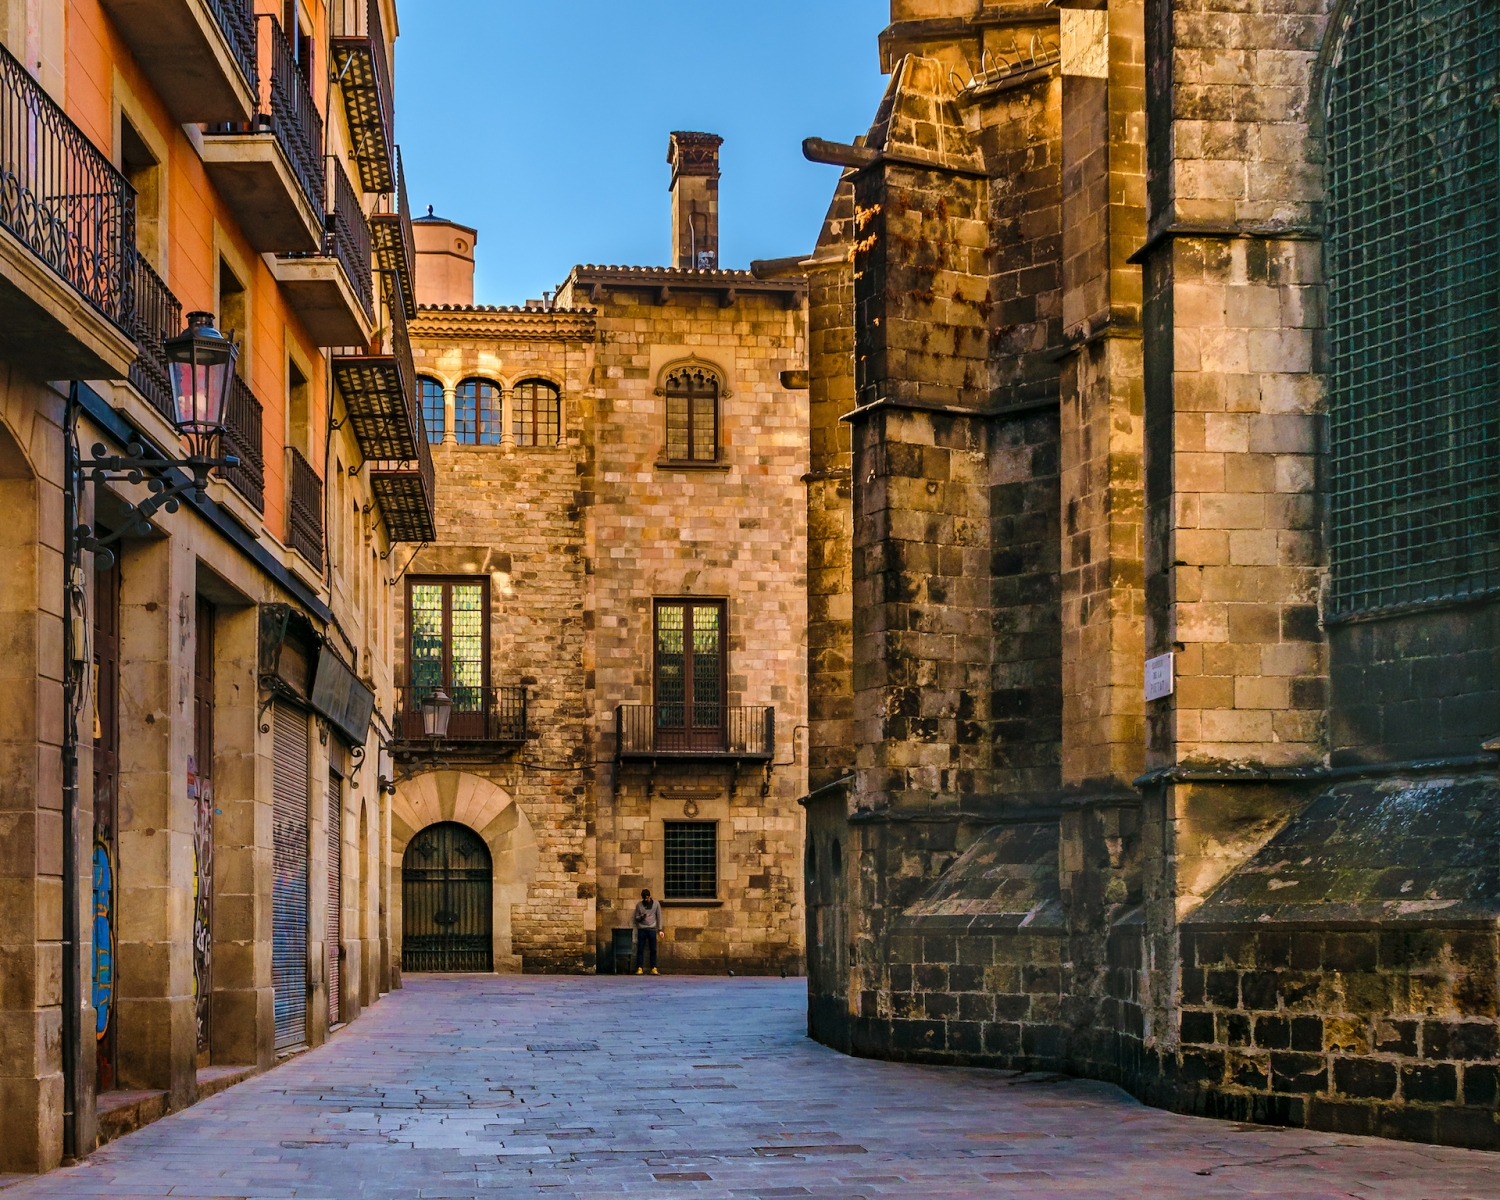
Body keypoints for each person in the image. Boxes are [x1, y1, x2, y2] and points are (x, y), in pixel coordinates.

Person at [633, 888, 663, 975]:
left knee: (653, 949)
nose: (646, 900)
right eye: (645, 899)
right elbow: (636, 918)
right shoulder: (639, 905)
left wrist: (660, 929)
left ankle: (653, 967)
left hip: (652, 929)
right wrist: (641, 917)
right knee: (640, 949)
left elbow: (659, 916)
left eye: (648, 898)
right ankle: (639, 968)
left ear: (650, 896)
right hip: (642, 929)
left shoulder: (656, 904)